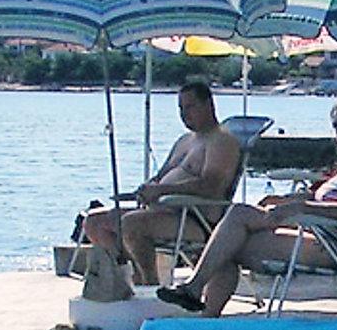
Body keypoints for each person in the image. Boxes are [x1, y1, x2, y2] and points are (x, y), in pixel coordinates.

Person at [156, 99, 337, 317]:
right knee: (228, 238)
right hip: (312, 232)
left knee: (228, 240)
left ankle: (199, 300)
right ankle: (202, 309)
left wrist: (298, 208)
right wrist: (284, 200)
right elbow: (319, 197)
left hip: (327, 246)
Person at [81, 81, 241, 287]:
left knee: (131, 224)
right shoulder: (185, 140)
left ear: (209, 104)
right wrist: (148, 189)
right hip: (164, 211)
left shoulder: (221, 141)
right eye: (181, 109)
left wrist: (163, 190)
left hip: (195, 218)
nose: (185, 114)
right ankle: (126, 275)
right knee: (94, 222)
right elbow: (160, 177)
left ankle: (150, 283)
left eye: (190, 107)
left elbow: (211, 186)